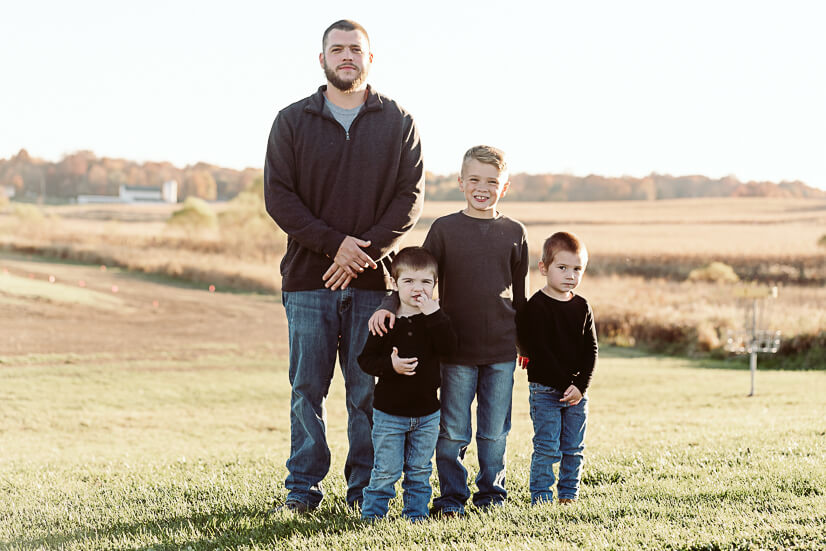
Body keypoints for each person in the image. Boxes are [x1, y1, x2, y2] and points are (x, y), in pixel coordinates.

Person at [264, 19, 425, 513]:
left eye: (356, 49)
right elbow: (279, 199)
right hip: (309, 282)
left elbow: (410, 200)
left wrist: (364, 252)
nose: (347, 56)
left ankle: (364, 491)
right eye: (337, 49)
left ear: (369, 59)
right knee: (307, 390)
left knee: (366, 391)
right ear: (322, 60)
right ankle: (303, 491)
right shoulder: (291, 121)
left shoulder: (399, 121)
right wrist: (336, 246)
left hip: (377, 286)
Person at [369, 145, 529, 516]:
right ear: (460, 182)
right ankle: (452, 497)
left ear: (504, 187)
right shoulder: (444, 229)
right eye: (474, 179)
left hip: (502, 351)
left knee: (494, 432)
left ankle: (491, 493)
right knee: (454, 431)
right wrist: (387, 304)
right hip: (454, 350)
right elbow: (415, 275)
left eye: (492, 181)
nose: (482, 187)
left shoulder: (515, 232)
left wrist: (525, 344)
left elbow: (519, 295)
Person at [357, 247, 457, 521]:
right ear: (394, 284)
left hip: (427, 414)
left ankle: (415, 515)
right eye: (409, 281)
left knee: (419, 469)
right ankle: (374, 516)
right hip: (389, 414)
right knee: (386, 470)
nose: (417, 288)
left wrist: (434, 315)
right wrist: (391, 366)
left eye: (426, 282)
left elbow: (449, 348)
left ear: (435, 285)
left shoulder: (436, 318)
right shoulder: (386, 321)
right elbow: (365, 360)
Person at [516, 231, 598, 505]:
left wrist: (581, 386)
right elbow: (541, 353)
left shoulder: (582, 306)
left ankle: (568, 496)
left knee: (573, 449)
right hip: (546, 391)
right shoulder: (536, 307)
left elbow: (591, 350)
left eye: (577, 269)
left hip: (577, 394)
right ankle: (541, 497)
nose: (570, 275)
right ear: (544, 268)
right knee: (547, 447)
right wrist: (566, 386)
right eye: (562, 268)